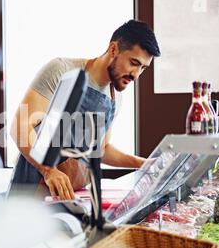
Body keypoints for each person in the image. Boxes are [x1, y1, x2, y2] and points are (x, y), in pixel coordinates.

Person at [9, 19, 161, 201]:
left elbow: (101, 149)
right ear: (113, 49)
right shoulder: (61, 71)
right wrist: (48, 170)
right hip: (34, 194)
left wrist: (143, 164)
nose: (136, 74)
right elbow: (20, 127)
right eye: (134, 63)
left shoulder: (115, 97)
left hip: (72, 197)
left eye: (143, 68)